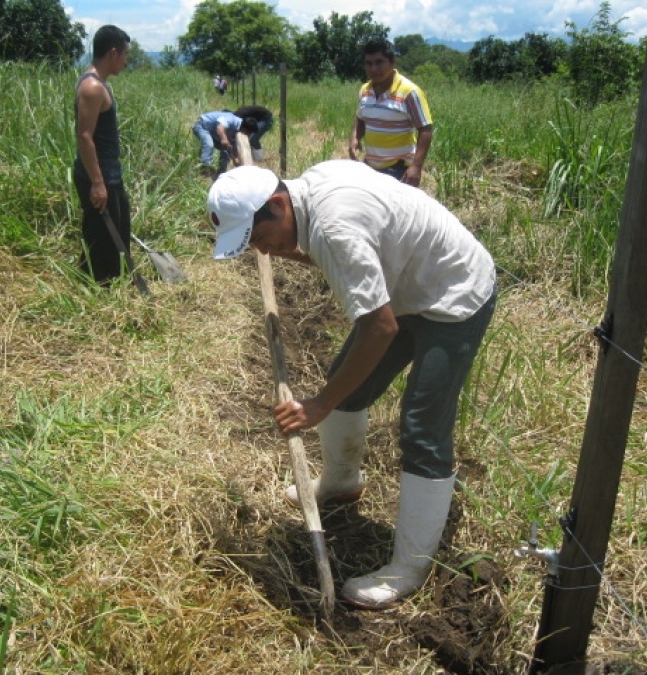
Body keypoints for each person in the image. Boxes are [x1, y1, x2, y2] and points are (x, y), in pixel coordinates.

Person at [207, 161, 497, 610]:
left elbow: (379, 328)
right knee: (349, 379)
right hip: (408, 284)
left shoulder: (332, 226)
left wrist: (320, 405)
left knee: (422, 426)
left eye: (262, 239)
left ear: (278, 204)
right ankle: (342, 481)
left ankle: (411, 566)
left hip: (453, 293)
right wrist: (294, 251)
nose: (265, 252)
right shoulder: (311, 192)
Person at [73, 25, 133, 284]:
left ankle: (112, 282)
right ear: (112, 53)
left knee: (117, 228)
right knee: (104, 235)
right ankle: (99, 287)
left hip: (108, 171)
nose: (126, 60)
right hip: (99, 172)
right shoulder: (92, 87)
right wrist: (97, 183)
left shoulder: (99, 83)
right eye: (124, 54)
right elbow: (84, 135)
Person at [349, 39, 434, 188]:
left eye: (379, 62)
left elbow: (425, 129)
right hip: (370, 168)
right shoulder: (365, 90)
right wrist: (354, 138)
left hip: (399, 170)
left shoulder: (409, 92)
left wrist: (416, 167)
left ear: (392, 62)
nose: (374, 68)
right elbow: (360, 117)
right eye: (368, 63)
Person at [192, 111, 258, 178]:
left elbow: (232, 146)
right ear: (245, 129)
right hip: (202, 126)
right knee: (209, 144)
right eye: (248, 133)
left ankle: (221, 172)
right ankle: (205, 170)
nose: (248, 136)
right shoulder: (231, 120)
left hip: (213, 133)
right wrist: (224, 138)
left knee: (226, 151)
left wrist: (235, 159)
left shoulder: (239, 130)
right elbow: (219, 127)